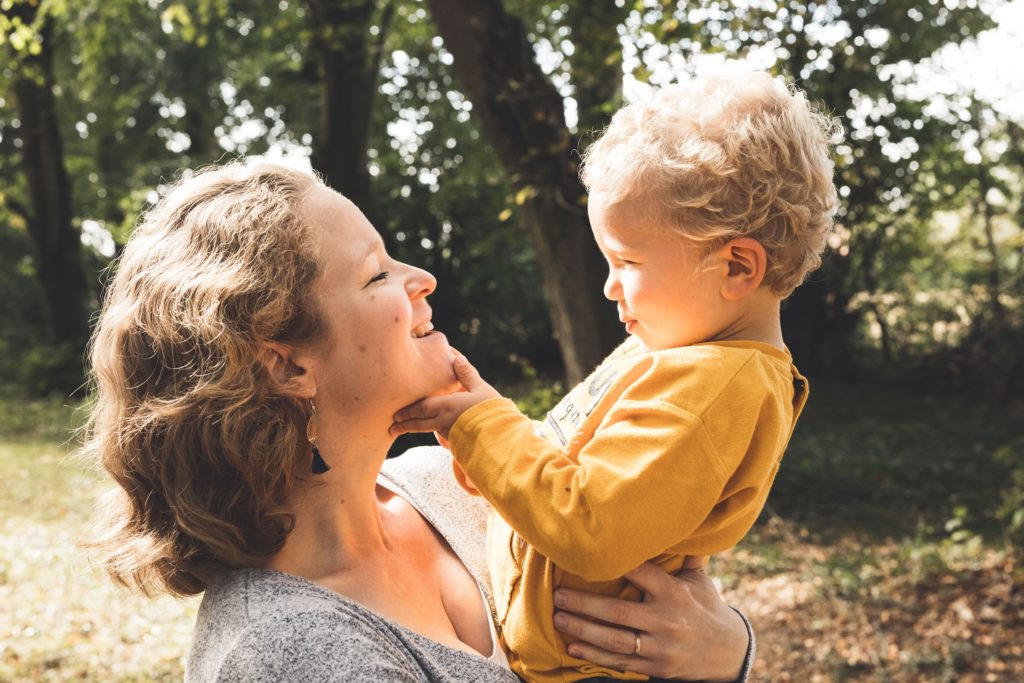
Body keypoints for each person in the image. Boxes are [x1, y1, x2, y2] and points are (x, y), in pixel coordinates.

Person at [84, 161, 755, 682]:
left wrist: (727, 650)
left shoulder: (452, 480)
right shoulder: (292, 652)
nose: (423, 277)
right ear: (287, 367)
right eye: (376, 275)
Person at [389, 72, 840, 682]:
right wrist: (480, 429)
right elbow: (567, 455)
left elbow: (588, 526)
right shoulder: (674, 349)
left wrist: (484, 427)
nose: (608, 286)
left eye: (627, 261)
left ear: (736, 265)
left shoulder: (716, 388)